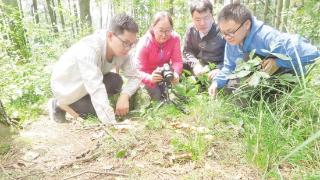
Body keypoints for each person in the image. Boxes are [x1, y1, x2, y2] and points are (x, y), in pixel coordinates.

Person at [209, 3, 320, 96]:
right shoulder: (232, 41)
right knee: (230, 89)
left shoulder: (266, 36)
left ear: (247, 24)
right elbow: (229, 66)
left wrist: (277, 62)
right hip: (259, 77)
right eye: (223, 33)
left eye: (231, 32)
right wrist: (216, 82)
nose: (227, 37)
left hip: (288, 78)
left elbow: (313, 53)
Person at [49, 13, 141, 124]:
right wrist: (112, 123)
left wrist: (125, 95)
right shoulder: (89, 49)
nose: (129, 48)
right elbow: (96, 87)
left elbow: (135, 76)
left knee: (116, 81)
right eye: (125, 43)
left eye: (132, 44)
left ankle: (84, 104)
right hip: (67, 87)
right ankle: (58, 104)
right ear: (110, 36)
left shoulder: (125, 51)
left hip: (87, 84)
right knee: (96, 111)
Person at [135, 11, 183, 101]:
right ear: (153, 28)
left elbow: (177, 61)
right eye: (160, 30)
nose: (164, 35)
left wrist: (176, 73)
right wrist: (149, 78)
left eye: (168, 30)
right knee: (157, 96)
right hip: (148, 76)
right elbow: (137, 71)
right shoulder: (144, 43)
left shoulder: (175, 38)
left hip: (165, 72)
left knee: (175, 94)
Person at [183, 0, 226, 79]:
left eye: (206, 18)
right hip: (197, 68)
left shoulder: (223, 31)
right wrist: (195, 64)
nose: (202, 23)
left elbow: (232, 56)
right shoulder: (191, 30)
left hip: (215, 70)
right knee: (178, 65)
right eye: (198, 20)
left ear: (212, 15)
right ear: (192, 18)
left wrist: (220, 68)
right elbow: (187, 50)